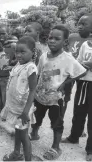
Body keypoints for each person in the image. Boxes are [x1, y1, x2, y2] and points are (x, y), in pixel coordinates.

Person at [29, 25, 87, 160]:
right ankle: (35, 133)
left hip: (56, 99)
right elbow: (39, 73)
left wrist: (65, 84)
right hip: (40, 96)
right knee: (36, 117)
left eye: (57, 38)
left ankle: (56, 147)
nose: (52, 41)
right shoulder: (43, 56)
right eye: (50, 38)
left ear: (65, 42)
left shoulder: (68, 59)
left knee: (57, 123)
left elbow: (81, 72)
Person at [61, 13, 92, 161]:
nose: (79, 26)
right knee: (78, 112)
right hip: (83, 83)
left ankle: (90, 150)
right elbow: (78, 62)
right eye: (79, 23)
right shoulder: (85, 45)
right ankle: (74, 137)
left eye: (83, 24)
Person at [2, 36, 37, 161]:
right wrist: (11, 68)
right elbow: (18, 75)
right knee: (17, 131)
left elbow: (33, 90)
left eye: (23, 52)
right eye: (17, 51)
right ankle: (16, 153)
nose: (19, 55)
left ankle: (28, 159)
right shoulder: (19, 64)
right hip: (15, 106)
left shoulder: (31, 67)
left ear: (32, 52)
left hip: (23, 110)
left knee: (24, 137)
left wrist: (26, 112)